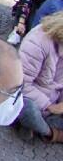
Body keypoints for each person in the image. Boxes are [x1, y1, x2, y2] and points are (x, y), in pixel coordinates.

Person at [22, 11, 63, 142]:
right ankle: (50, 133)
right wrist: (49, 106)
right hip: (33, 100)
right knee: (28, 110)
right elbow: (21, 84)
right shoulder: (38, 42)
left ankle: (37, 128)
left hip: (55, 103)